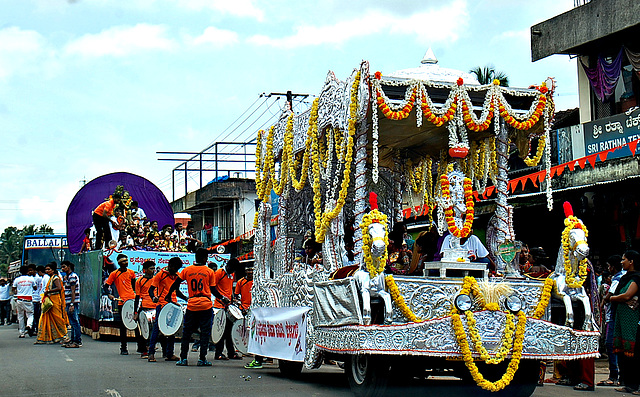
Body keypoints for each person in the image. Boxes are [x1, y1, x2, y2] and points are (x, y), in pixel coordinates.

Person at [170, 248, 217, 367]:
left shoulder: (187, 270)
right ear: (205, 258)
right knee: (205, 333)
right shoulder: (209, 271)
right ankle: (202, 359)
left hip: (192, 305)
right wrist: (222, 298)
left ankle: (183, 358)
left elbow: (175, 285)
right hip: (205, 305)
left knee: (187, 332)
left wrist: (183, 297)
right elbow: (213, 290)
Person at [610, 250, 640, 393]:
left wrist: (612, 299)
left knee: (633, 353)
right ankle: (628, 383)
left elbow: (627, 296)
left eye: (624, 259)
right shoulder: (625, 277)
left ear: (631, 261)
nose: (622, 262)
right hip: (621, 318)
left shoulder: (637, 278)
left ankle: (636, 384)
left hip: (632, 320)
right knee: (622, 352)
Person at [147, 257, 183, 363]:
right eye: (175, 268)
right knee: (156, 329)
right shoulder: (160, 275)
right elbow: (151, 289)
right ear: (170, 265)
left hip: (173, 305)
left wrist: (186, 298)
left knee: (172, 329)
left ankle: (170, 354)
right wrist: (153, 298)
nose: (176, 270)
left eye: (177, 269)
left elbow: (177, 291)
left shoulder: (177, 277)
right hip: (162, 305)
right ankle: (151, 353)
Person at [104, 254, 137, 355]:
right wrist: (109, 294)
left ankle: (142, 347)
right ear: (118, 263)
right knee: (123, 326)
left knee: (137, 324)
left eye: (126, 261)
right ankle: (123, 348)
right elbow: (106, 286)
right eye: (123, 261)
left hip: (132, 301)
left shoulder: (131, 272)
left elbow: (134, 285)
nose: (126, 263)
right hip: (121, 302)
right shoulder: (114, 274)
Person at [599, 254, 623, 386]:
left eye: (609, 266)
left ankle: (614, 375)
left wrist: (603, 301)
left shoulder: (618, 277)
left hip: (613, 316)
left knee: (611, 344)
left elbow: (610, 295)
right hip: (615, 316)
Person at [213, 257, 240, 360]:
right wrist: (221, 298)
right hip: (219, 306)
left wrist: (233, 299)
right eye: (232, 269)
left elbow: (229, 289)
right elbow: (213, 287)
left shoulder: (231, 275)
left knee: (229, 331)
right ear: (228, 266)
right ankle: (218, 353)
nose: (233, 271)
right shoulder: (219, 273)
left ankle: (231, 352)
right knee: (221, 331)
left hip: (228, 306)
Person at [35, 262, 68, 344]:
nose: (47, 271)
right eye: (46, 269)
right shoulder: (50, 278)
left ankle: (63, 335)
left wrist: (48, 291)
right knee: (46, 318)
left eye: (49, 269)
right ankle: (49, 337)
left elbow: (59, 288)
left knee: (57, 318)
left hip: (55, 300)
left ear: (53, 270)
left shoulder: (55, 278)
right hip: (50, 299)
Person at [133, 260, 156, 358]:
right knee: (144, 330)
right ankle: (144, 351)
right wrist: (135, 312)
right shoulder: (139, 281)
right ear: (145, 270)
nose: (153, 270)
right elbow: (137, 297)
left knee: (155, 330)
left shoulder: (156, 279)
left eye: (154, 268)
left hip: (155, 307)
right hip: (145, 307)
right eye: (151, 269)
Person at [60, 261, 82, 348]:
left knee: (75, 321)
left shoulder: (72, 276)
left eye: (64, 267)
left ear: (68, 267)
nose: (62, 269)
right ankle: (73, 340)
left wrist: (72, 304)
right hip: (69, 301)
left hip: (73, 302)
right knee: (72, 322)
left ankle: (77, 341)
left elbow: (73, 291)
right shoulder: (68, 277)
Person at [12, 266, 37, 338]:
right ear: (27, 271)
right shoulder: (31, 279)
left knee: (20, 316)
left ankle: (22, 333)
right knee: (30, 314)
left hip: (19, 299)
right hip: (28, 299)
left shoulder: (17, 279)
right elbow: (35, 288)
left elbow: (13, 289)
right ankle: (29, 325)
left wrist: (17, 291)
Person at [28, 264, 43, 335]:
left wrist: (40, 298)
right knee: (31, 315)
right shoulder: (29, 278)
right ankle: (32, 329)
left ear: (35, 270)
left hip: (36, 298)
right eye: (29, 270)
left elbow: (40, 288)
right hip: (30, 298)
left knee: (37, 315)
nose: (30, 272)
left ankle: (37, 329)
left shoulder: (39, 278)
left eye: (31, 270)